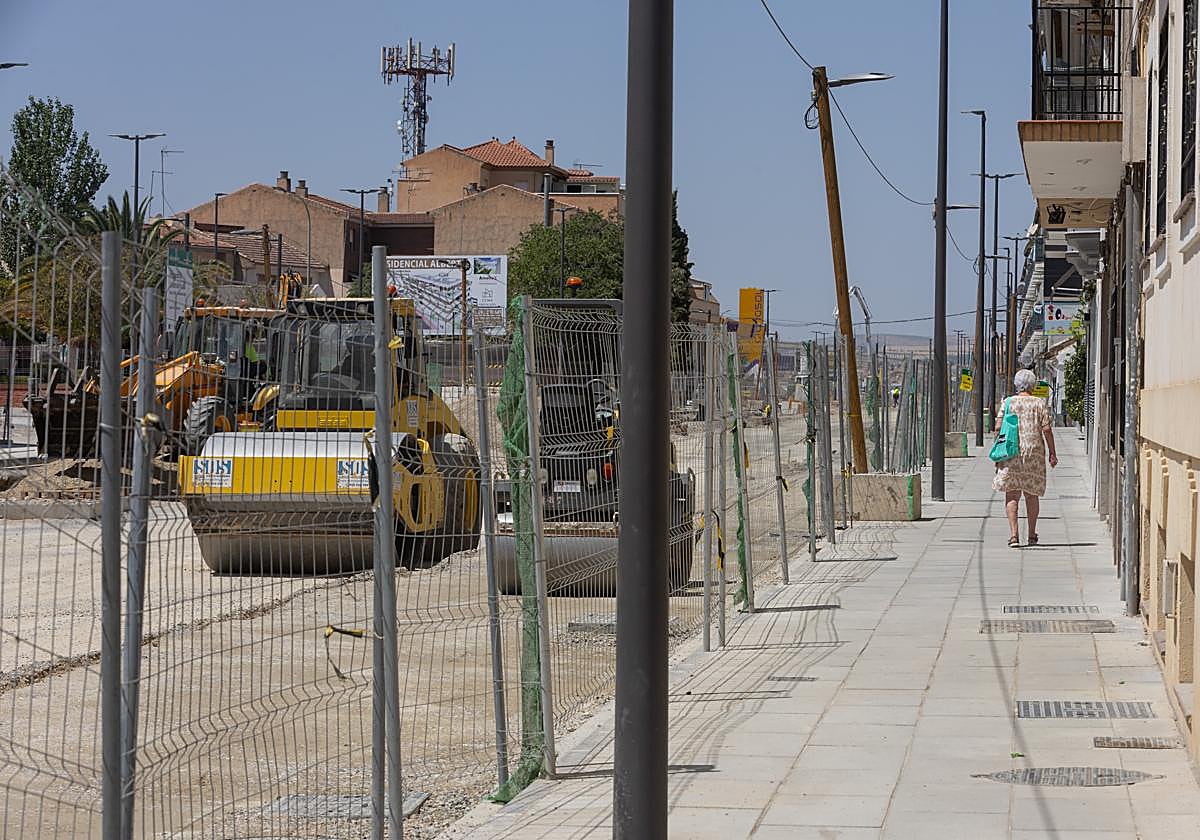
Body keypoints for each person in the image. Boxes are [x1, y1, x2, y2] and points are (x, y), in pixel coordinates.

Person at [993, 368, 1057, 547]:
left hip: (1011, 452)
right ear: (1033, 385)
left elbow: (998, 427)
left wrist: (999, 444)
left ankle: (1014, 535)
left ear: (1016, 384)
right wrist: (1052, 452)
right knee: (1031, 494)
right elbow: (1046, 429)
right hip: (1033, 454)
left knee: (1012, 493)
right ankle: (1031, 534)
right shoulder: (1039, 403)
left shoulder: (1008, 403)